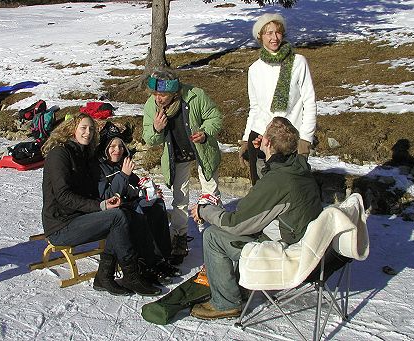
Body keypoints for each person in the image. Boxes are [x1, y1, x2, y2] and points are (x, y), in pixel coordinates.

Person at [189, 117, 322, 320]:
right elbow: (272, 181)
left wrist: (205, 210)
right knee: (236, 227)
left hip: (287, 251)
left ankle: (225, 303)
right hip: (305, 241)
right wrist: (262, 156)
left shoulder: (279, 181)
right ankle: (237, 285)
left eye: (265, 134)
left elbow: (236, 223)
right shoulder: (298, 166)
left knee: (213, 236)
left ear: (268, 142)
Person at [41, 112, 161, 297]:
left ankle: (107, 276)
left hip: (79, 218)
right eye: (83, 128)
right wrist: (100, 206)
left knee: (122, 213)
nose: (87, 132)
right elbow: (64, 196)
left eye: (91, 129)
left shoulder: (83, 155)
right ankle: (131, 274)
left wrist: (108, 201)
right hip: (60, 225)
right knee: (117, 218)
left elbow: (92, 191)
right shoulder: (60, 154)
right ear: (72, 129)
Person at [142, 67, 223, 265]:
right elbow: (148, 138)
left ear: (174, 92)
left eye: (163, 95)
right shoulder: (151, 106)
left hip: (202, 151)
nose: (158, 99)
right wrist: (156, 128)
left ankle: (218, 235)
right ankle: (179, 237)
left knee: (211, 194)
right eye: (155, 94)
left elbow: (215, 117)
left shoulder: (195, 95)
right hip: (175, 156)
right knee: (179, 198)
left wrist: (205, 133)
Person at [96, 121, 181, 285]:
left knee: (157, 205)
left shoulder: (121, 164)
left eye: (120, 146)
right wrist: (123, 175)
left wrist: (149, 192)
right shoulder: (100, 169)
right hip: (110, 210)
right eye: (112, 146)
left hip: (126, 203)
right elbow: (106, 196)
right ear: (105, 148)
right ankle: (148, 262)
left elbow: (134, 187)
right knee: (138, 210)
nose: (117, 150)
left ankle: (162, 258)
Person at [239, 13, 317, 185]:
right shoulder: (255, 69)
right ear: (260, 36)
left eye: (278, 32)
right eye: (268, 33)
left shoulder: (298, 62)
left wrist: (306, 139)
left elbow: (309, 102)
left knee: (290, 189)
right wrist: (246, 140)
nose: (274, 37)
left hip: (289, 139)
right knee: (262, 192)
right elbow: (255, 108)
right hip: (260, 139)